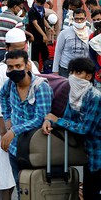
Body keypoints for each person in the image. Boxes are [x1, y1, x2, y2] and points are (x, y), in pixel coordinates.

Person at [0, 28, 40, 200]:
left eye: (22, 47)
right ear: (7, 47)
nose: (19, 51)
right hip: (5, 127)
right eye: (15, 48)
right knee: (5, 176)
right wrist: (5, 135)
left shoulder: (32, 67)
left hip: (30, 129)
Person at [42, 58, 101, 200]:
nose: (73, 76)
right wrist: (50, 120)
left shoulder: (95, 97)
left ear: (89, 76)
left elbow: (85, 129)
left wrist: (57, 120)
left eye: (78, 72)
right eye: (72, 72)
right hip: (89, 155)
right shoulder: (74, 95)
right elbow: (68, 119)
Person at [0, 50, 53, 199]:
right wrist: (7, 118)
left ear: (28, 66)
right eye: (10, 67)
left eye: (18, 66)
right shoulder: (10, 83)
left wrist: (13, 130)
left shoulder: (40, 87)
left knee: (34, 188)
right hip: (15, 148)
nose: (14, 70)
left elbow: (40, 118)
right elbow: (2, 96)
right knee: (21, 188)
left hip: (34, 148)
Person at [53, 8, 91, 77]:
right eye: (77, 19)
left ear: (85, 19)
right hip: (66, 69)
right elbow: (58, 52)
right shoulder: (64, 33)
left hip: (83, 70)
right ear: (73, 19)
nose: (79, 21)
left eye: (81, 19)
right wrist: (55, 70)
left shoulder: (90, 33)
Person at [0, 0, 25, 65]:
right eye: (20, 8)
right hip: (12, 54)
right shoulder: (17, 21)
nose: (20, 10)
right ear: (15, 7)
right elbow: (21, 41)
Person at [27, 0, 53, 68]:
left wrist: (48, 27)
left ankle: (47, 69)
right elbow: (35, 24)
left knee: (45, 54)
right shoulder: (32, 11)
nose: (41, 5)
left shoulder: (42, 9)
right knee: (35, 57)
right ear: (36, 1)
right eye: (40, 3)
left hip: (42, 36)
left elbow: (43, 19)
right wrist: (44, 35)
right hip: (35, 37)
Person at [89, 10, 101, 91]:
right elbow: (92, 56)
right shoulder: (92, 36)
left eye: (99, 19)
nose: (97, 22)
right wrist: (99, 70)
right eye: (94, 20)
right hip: (99, 76)